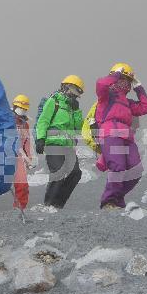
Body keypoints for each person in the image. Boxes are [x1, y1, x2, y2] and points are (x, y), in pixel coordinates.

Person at [96, 62, 147, 209]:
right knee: (118, 166)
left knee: (136, 170)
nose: (125, 83)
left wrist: (139, 88)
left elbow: (145, 108)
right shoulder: (107, 96)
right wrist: (116, 75)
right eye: (124, 79)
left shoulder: (128, 102)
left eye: (128, 81)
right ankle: (108, 201)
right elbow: (100, 84)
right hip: (110, 134)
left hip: (127, 137)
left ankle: (117, 199)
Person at [34, 75, 85, 211]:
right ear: (66, 86)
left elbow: (78, 128)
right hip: (54, 144)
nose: (75, 94)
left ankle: (57, 205)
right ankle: (48, 204)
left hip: (68, 147)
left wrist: (76, 111)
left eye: (78, 92)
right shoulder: (54, 101)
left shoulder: (72, 108)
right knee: (58, 173)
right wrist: (40, 138)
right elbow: (43, 120)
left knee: (76, 173)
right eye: (74, 89)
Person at [12, 94, 34, 211]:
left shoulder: (25, 124)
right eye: (21, 107)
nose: (23, 110)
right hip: (4, 155)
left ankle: (20, 208)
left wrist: (28, 159)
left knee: (22, 185)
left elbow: (26, 143)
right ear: (14, 106)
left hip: (19, 157)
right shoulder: (5, 120)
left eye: (25, 108)